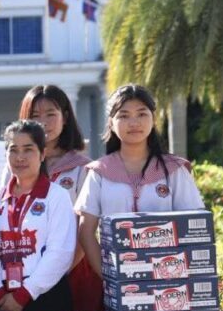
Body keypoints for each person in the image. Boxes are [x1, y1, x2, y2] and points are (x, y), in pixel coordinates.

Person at [75, 85, 205, 287]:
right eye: (124, 115)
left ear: (153, 119)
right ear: (111, 123)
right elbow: (86, 232)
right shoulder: (99, 172)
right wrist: (110, 277)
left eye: (142, 114)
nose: (134, 122)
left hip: (169, 284)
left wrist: (177, 276)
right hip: (117, 286)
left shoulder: (174, 169)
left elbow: (194, 226)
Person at [15, 85, 97, 311]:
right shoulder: (14, 165)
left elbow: (84, 227)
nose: (43, 123)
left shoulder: (83, 168)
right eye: (34, 116)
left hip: (72, 269)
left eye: (51, 114)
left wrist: (57, 272)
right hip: (21, 271)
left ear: (65, 117)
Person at [0, 120, 77, 311]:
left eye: (28, 149)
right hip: (1, 301)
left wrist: (23, 295)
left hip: (45, 297)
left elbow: (60, 252)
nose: (20, 157)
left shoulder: (57, 196)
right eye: (13, 150)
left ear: (42, 154)